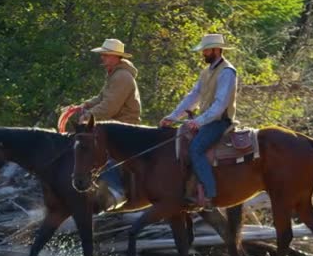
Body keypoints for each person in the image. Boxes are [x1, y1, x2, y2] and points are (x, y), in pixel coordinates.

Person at [160, 33, 238, 208]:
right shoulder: (206, 72)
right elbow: (193, 96)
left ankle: (210, 195)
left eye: (206, 50)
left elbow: (220, 104)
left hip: (220, 122)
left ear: (217, 50)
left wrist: (199, 121)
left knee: (196, 149)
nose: (203, 54)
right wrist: (173, 117)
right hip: (206, 120)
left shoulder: (227, 72)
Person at [79, 38, 142, 210]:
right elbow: (102, 98)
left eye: (106, 55)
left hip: (124, 124)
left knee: (107, 153)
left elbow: (109, 107)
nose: (103, 58)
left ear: (115, 57)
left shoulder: (122, 76)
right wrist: (84, 105)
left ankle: (116, 191)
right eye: (103, 55)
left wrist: (87, 116)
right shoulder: (115, 74)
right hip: (115, 122)